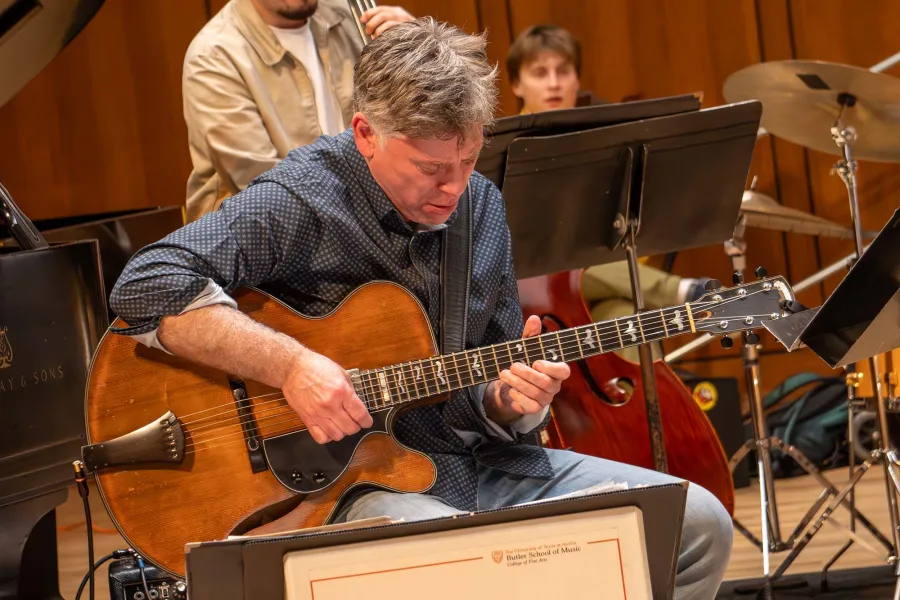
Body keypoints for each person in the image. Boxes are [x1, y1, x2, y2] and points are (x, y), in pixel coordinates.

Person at [111, 19, 732, 599]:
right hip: (349, 486)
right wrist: (293, 367)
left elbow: (483, 391)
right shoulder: (302, 198)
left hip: (473, 464)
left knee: (696, 522)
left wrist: (509, 402)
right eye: (432, 169)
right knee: (457, 559)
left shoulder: (480, 206)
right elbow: (147, 282)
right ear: (366, 135)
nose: (454, 188)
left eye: (467, 162)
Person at [507, 25, 709, 361]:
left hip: (599, 283)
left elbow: (631, 233)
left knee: (627, 316)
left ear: (576, 79)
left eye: (564, 71)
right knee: (573, 267)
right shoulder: (506, 151)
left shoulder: (608, 144)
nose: (554, 83)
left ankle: (653, 411)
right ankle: (680, 292)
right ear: (517, 85)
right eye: (540, 73)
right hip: (530, 286)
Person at [181, 0, 414, 222]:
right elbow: (259, 182)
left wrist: (417, 52)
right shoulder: (213, 55)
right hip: (263, 237)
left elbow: (415, 124)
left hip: (358, 218)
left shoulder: (351, 17)